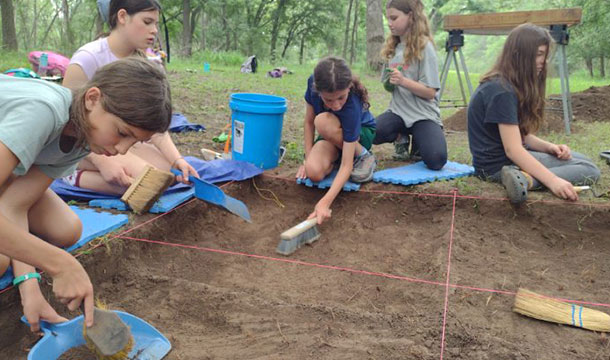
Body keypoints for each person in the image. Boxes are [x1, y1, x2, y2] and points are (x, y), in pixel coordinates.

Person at [0, 57, 172, 332]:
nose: (122, 150)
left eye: (134, 142)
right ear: (93, 98)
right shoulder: (44, 111)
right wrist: (58, 263)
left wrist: (29, 287)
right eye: (121, 133)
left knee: (67, 230)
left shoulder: (81, 136)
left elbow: (15, 206)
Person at [63, 0, 196, 195]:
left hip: (122, 141)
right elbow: (67, 124)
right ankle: (72, 176)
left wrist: (178, 160)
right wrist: (103, 161)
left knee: (165, 174)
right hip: (83, 145)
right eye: (147, 22)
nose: (154, 30)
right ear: (122, 16)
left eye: (156, 24)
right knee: (147, 181)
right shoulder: (87, 59)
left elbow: (153, 126)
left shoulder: (145, 64)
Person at [467, 23, 600, 204]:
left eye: (544, 55)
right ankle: (525, 180)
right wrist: (553, 181)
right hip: (498, 167)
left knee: (581, 159)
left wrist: (549, 147)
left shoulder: (505, 84)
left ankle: (522, 177)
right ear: (519, 54)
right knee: (588, 169)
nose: (542, 61)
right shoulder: (501, 91)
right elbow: (513, 149)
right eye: (538, 54)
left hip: (499, 163)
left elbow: (521, 136)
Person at [296, 56, 377, 224]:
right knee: (314, 172)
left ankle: (364, 155)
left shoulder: (352, 104)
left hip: (360, 136)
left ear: (348, 87)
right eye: (328, 100)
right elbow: (309, 122)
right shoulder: (313, 84)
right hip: (330, 133)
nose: (337, 105)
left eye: (341, 97)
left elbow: (347, 165)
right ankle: (333, 159)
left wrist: (324, 203)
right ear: (318, 91)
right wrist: (307, 159)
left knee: (323, 121)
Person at [373, 0, 447, 169]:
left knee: (436, 160)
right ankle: (401, 136)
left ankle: (421, 142)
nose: (389, 23)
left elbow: (430, 92)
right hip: (398, 112)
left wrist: (403, 81)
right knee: (371, 133)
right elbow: (389, 85)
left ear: (410, 16)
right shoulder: (393, 48)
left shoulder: (424, 47)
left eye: (394, 18)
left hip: (423, 115)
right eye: (388, 19)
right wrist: (389, 82)